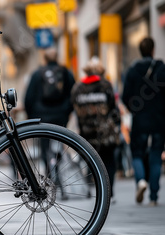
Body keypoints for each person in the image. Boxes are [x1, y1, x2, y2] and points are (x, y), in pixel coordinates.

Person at [24, 48, 75, 200]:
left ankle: (50, 177)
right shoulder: (66, 73)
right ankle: (58, 169)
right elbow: (73, 93)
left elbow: (29, 98)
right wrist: (67, 111)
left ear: (44, 58)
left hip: (42, 117)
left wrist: (31, 116)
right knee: (59, 144)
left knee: (45, 149)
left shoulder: (37, 74)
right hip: (60, 116)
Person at [122, 37, 165, 206]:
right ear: (153, 50)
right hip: (159, 120)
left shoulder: (133, 70)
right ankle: (153, 197)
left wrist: (135, 109)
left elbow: (126, 96)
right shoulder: (162, 69)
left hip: (140, 119)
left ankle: (141, 181)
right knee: (155, 155)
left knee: (137, 153)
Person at [71, 57, 120, 202]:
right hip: (106, 133)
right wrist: (117, 123)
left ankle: (99, 191)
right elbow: (113, 107)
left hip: (87, 132)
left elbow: (76, 110)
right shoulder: (105, 85)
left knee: (93, 162)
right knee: (109, 162)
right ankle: (109, 193)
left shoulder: (77, 88)